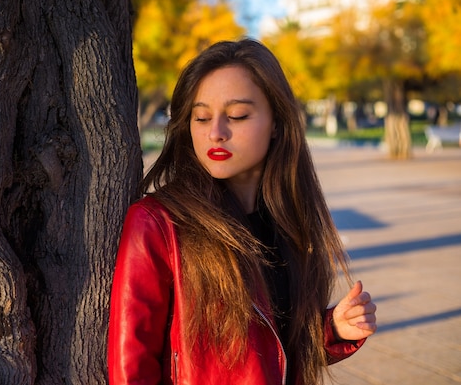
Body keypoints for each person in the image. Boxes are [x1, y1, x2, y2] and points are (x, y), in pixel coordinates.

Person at [108, 38, 377, 385]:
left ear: (277, 123)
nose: (215, 133)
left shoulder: (289, 223)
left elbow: (274, 353)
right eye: (201, 117)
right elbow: (131, 371)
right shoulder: (158, 223)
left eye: (237, 115)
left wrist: (334, 330)